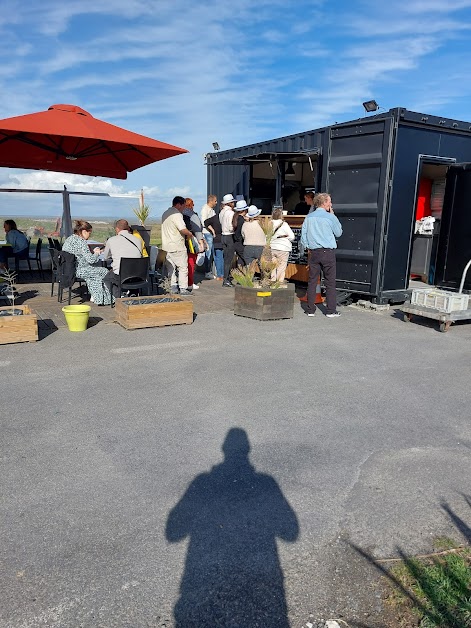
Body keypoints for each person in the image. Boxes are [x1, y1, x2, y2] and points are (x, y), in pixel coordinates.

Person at [300, 193, 342, 318]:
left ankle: (310, 310)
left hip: (314, 252)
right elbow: (338, 232)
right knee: (330, 282)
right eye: (329, 201)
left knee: (312, 281)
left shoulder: (309, 217)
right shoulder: (330, 217)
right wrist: (333, 215)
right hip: (327, 252)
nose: (331, 204)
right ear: (324, 203)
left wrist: (309, 247)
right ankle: (330, 310)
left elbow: (303, 237)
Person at [62, 220, 113, 305]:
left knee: (95, 272)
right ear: (84, 231)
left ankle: (96, 296)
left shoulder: (70, 239)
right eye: (90, 233)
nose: (90, 236)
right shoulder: (81, 242)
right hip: (79, 270)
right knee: (104, 271)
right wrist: (97, 253)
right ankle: (103, 298)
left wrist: (92, 254)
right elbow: (91, 260)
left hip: (69, 269)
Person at [102, 219, 143, 298]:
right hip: (138, 274)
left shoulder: (111, 240)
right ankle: (132, 293)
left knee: (107, 278)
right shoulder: (138, 240)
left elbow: (105, 257)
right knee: (128, 271)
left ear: (117, 229)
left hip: (121, 276)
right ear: (128, 228)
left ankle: (119, 296)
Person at [161, 196, 194, 295]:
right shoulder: (177, 214)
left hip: (166, 246)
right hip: (177, 245)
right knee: (183, 267)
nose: (184, 208)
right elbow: (182, 229)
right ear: (179, 204)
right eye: (183, 206)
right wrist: (189, 234)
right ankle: (183, 288)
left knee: (171, 268)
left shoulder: (165, 214)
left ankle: (173, 286)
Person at [183, 198, 205, 292]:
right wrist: (201, 243)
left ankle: (184, 282)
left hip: (181, 241)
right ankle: (190, 283)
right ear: (191, 205)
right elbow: (198, 230)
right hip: (191, 241)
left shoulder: (179, 214)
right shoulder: (192, 215)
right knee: (191, 262)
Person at [270, 207, 295, 282]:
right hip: (283, 248)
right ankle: (279, 283)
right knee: (281, 267)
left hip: (272, 247)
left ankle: (272, 281)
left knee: (273, 267)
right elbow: (292, 237)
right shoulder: (284, 224)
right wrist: (285, 238)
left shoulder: (269, 223)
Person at [219, 193, 237, 286]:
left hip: (223, 236)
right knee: (229, 260)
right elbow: (231, 226)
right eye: (232, 202)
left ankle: (225, 278)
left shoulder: (221, 212)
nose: (234, 204)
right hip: (229, 236)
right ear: (230, 203)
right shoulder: (231, 213)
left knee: (225, 258)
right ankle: (226, 279)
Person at [201, 194, 217, 278]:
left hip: (211, 233)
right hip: (207, 233)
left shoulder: (211, 210)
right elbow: (204, 222)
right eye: (215, 201)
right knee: (209, 252)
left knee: (212, 252)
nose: (216, 203)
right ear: (211, 201)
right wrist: (212, 230)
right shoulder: (205, 209)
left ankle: (211, 271)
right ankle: (207, 272)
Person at [204, 212, 224, 280]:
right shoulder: (228, 216)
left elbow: (206, 222)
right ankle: (223, 274)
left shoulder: (216, 217)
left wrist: (212, 230)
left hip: (217, 238)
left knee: (219, 258)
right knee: (223, 258)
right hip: (226, 238)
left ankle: (220, 275)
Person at [232, 199, 248, 267]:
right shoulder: (242, 220)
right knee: (246, 259)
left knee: (240, 259)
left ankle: (239, 274)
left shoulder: (236, 218)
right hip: (240, 242)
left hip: (235, 242)